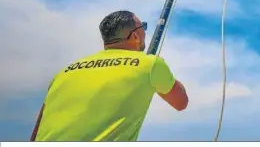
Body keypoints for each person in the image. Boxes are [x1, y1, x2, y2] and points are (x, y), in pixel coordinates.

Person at [30, 10, 188, 141]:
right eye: (143, 27)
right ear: (135, 36)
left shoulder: (64, 72)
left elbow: (36, 132)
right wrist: (158, 66)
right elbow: (181, 102)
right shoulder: (151, 64)